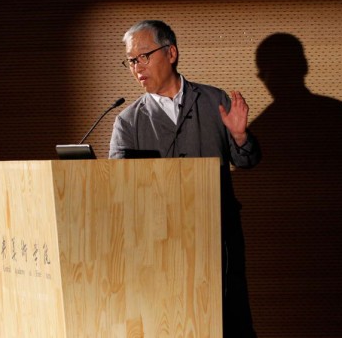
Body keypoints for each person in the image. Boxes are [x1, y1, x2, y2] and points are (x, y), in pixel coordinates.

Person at [109, 20, 261, 337]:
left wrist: (240, 136)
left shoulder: (214, 100)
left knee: (227, 320)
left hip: (217, 235)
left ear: (171, 53)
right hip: (158, 243)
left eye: (144, 56)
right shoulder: (128, 121)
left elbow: (247, 161)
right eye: (131, 60)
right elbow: (117, 186)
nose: (137, 67)